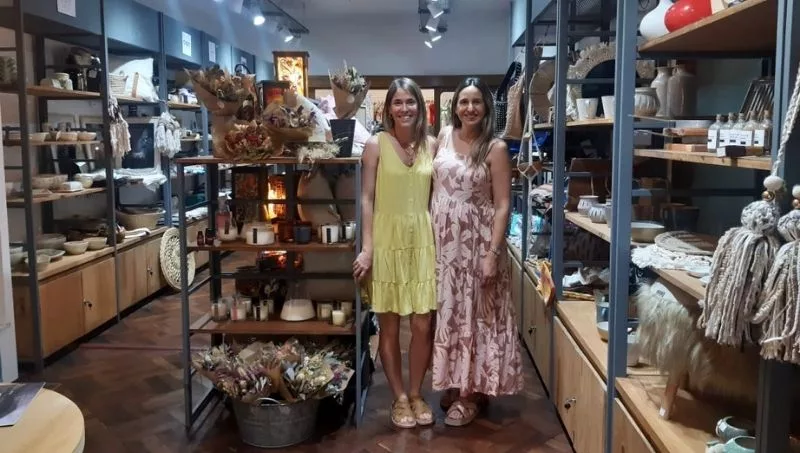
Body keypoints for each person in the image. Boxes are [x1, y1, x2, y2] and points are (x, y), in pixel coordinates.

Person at [430, 77, 524, 427]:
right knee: (451, 314)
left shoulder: (495, 148)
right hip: (444, 246)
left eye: (476, 102)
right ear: (455, 106)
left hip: (476, 245)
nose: (469, 108)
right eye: (463, 102)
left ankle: (469, 395)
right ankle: (458, 382)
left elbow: (503, 205)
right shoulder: (442, 136)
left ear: (486, 107)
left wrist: (492, 254)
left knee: (475, 315)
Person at [353, 77, 437, 429]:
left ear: (420, 106)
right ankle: (399, 397)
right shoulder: (376, 144)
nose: (404, 108)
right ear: (388, 108)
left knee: (422, 324)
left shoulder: (431, 144)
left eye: (410, 101)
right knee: (388, 325)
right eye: (398, 102)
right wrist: (367, 248)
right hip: (386, 239)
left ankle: (417, 393)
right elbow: (366, 198)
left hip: (422, 240)